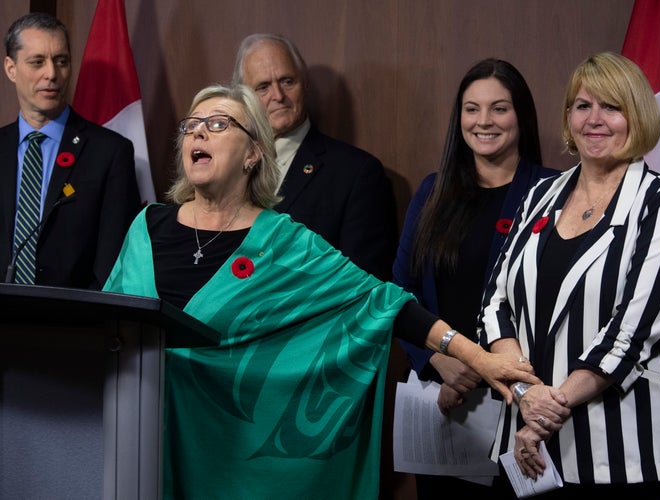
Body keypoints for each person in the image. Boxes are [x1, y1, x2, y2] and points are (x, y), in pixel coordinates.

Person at [102, 83, 541, 499]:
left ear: (254, 152)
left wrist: (478, 357)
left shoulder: (284, 241)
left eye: (219, 124)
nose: (198, 130)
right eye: (191, 124)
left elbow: (382, 303)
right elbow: (105, 326)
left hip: (229, 459)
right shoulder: (146, 227)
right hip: (137, 439)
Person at [479, 52, 660, 499]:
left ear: (636, 116)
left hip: (626, 447)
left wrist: (545, 407)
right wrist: (525, 393)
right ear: (568, 117)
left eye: (611, 107)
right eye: (583, 106)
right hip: (528, 438)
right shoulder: (542, 193)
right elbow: (495, 302)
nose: (594, 120)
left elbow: (633, 332)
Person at [392, 58, 561, 497]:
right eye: (472, 109)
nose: (484, 121)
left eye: (499, 108)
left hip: (522, 404)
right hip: (446, 400)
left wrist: (489, 368)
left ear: (521, 116)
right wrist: (438, 361)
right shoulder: (432, 192)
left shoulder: (555, 192)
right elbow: (399, 292)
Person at [231, 33, 396, 280]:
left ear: (305, 84)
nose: (278, 95)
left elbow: (363, 283)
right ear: (243, 99)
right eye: (263, 87)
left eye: (287, 81)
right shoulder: (226, 167)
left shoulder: (357, 173)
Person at [0, 12, 141, 289]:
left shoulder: (110, 153)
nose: (51, 74)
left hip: (73, 325)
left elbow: (113, 263)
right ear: (10, 68)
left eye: (61, 61)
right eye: (37, 62)